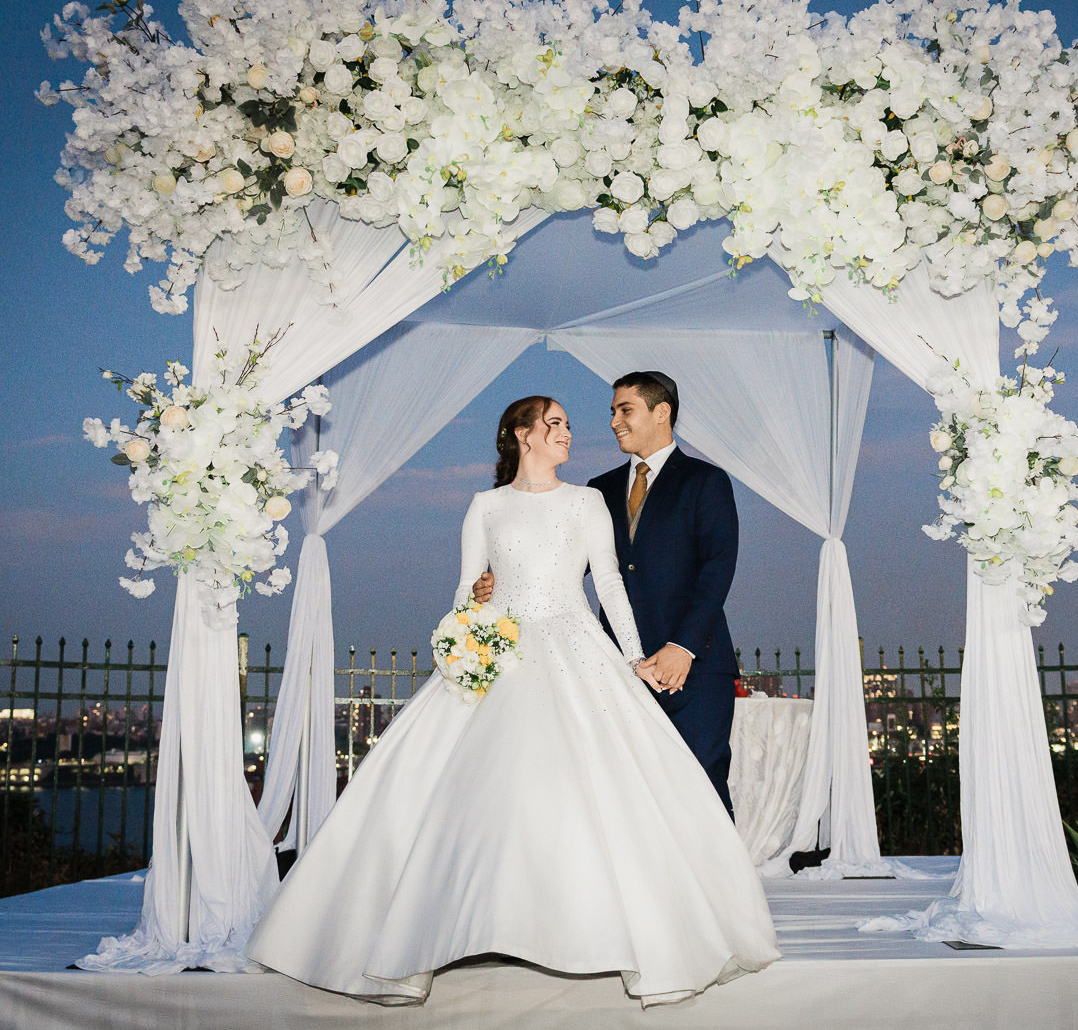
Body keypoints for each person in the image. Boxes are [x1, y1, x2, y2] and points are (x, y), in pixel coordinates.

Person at [244, 396, 779, 1006]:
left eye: (569, 425)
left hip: (577, 642)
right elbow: (467, 588)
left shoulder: (587, 502)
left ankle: (597, 928)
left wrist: (632, 658)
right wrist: (475, 602)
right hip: (504, 644)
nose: (570, 433)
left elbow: (608, 582)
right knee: (474, 787)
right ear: (520, 435)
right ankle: (463, 926)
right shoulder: (485, 506)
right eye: (555, 424)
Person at [476, 372, 741, 814]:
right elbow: (563, 566)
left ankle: (718, 885)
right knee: (624, 792)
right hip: (614, 668)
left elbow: (717, 569)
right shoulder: (598, 490)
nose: (614, 421)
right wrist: (499, 579)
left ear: (662, 413)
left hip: (695, 665)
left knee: (700, 783)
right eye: (612, 412)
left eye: (625, 410)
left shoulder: (705, 481)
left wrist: (683, 647)